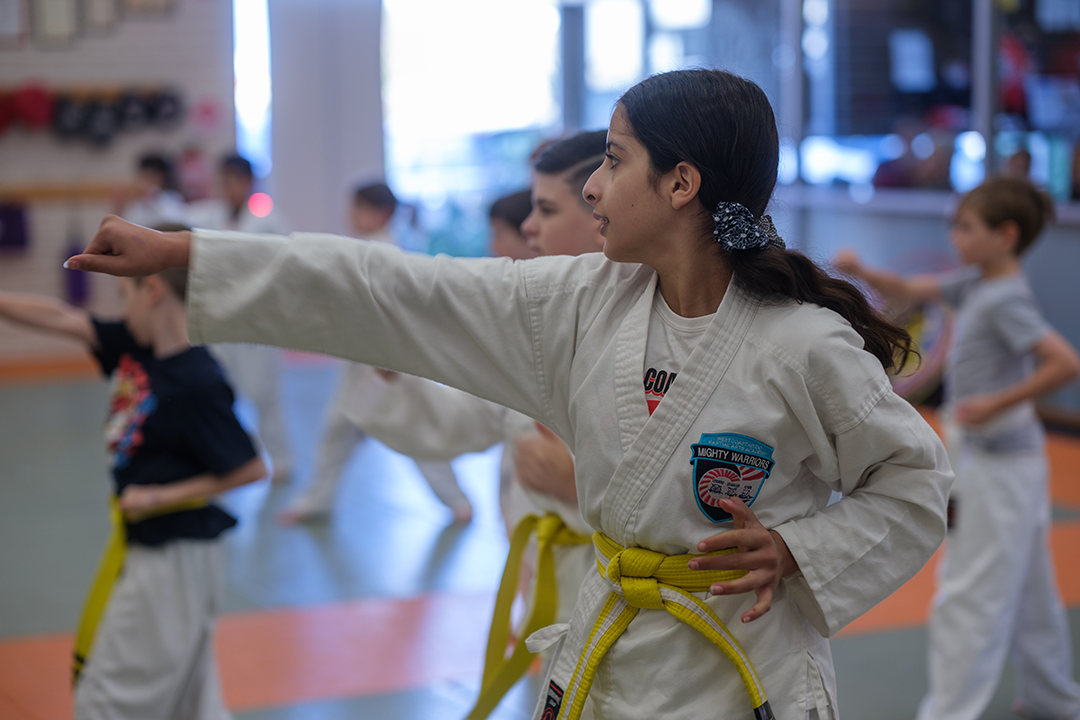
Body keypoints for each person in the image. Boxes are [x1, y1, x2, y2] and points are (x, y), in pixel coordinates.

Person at [69, 68, 952, 720]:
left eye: (614, 160)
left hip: (737, 672)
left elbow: (916, 485)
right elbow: (397, 286)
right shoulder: (578, 302)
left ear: (682, 183)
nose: (595, 188)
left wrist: (801, 548)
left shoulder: (800, 343)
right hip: (609, 654)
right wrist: (192, 257)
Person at [835, 176, 1080, 720]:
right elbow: (910, 289)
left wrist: (998, 403)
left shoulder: (1006, 298)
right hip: (1003, 459)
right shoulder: (976, 283)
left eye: (966, 227)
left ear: (1006, 236)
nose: (955, 235)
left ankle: (949, 712)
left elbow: (1064, 362)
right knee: (1033, 589)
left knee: (970, 591)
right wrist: (859, 274)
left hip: (1000, 465)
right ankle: (1052, 698)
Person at [0, 254, 266, 720]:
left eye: (125, 297)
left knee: (106, 699)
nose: (121, 313)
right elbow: (66, 318)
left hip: (174, 555)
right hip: (150, 547)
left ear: (154, 291)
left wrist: (160, 495)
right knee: (192, 699)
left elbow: (249, 468)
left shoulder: (197, 380)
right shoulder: (137, 347)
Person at [279, 182, 473, 525]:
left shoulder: (384, 253)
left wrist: (387, 368)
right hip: (362, 368)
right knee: (340, 434)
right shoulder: (370, 249)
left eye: (359, 208)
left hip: (386, 367)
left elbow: (397, 316)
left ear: (381, 213)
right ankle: (318, 501)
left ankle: (457, 501)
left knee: (413, 434)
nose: (351, 216)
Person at [188, 154, 293, 482]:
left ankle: (282, 460)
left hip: (257, 322)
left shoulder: (268, 218)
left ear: (249, 182)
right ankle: (228, 460)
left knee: (263, 394)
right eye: (224, 181)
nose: (228, 188)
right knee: (219, 391)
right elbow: (173, 215)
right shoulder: (211, 214)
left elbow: (290, 261)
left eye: (234, 180)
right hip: (222, 320)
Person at [115, 153, 189, 229]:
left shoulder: (173, 198)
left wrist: (153, 199)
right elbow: (126, 229)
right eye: (144, 177)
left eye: (151, 177)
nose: (146, 182)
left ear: (163, 178)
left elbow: (175, 223)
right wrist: (119, 211)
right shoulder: (137, 204)